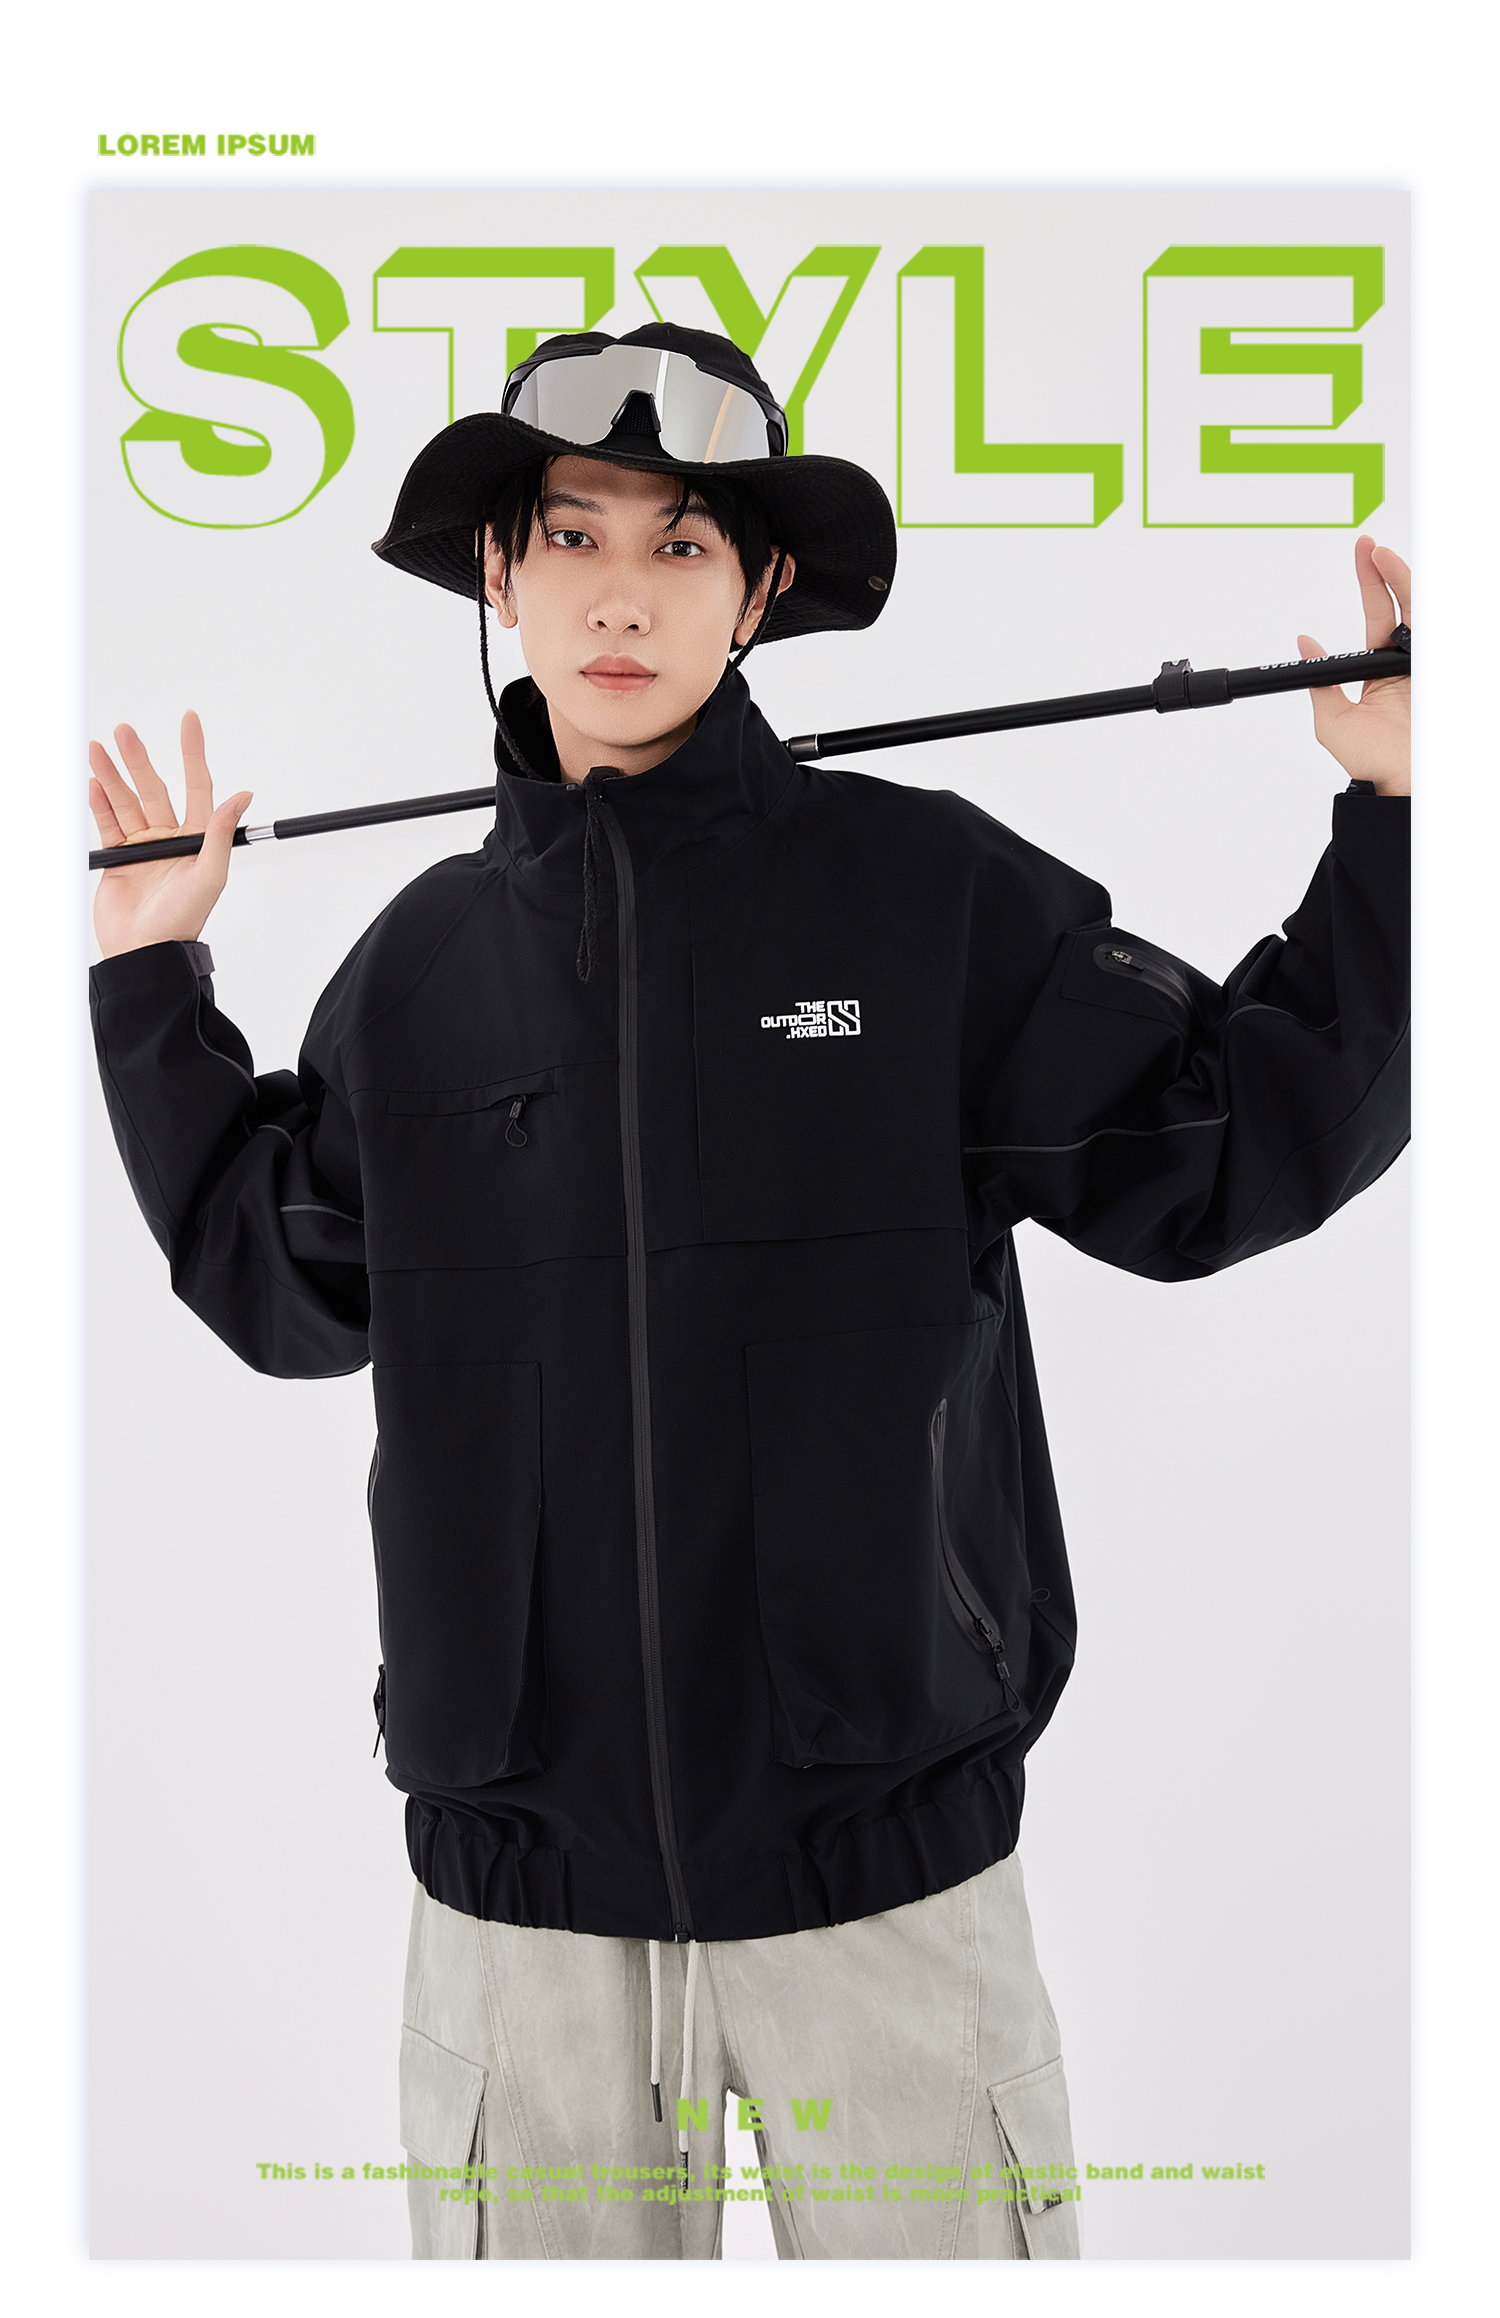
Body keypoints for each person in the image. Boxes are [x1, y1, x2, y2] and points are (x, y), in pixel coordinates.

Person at [87, 323, 1410, 2263]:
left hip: (886, 1884)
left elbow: (1228, 1144)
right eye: (572, 534)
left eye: (683, 543)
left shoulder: (928, 900)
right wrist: (148, 985)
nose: (621, 594)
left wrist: (1398, 826)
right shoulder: (421, 971)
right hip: (520, 1916)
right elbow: (281, 1275)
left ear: (762, 585)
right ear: (498, 572)